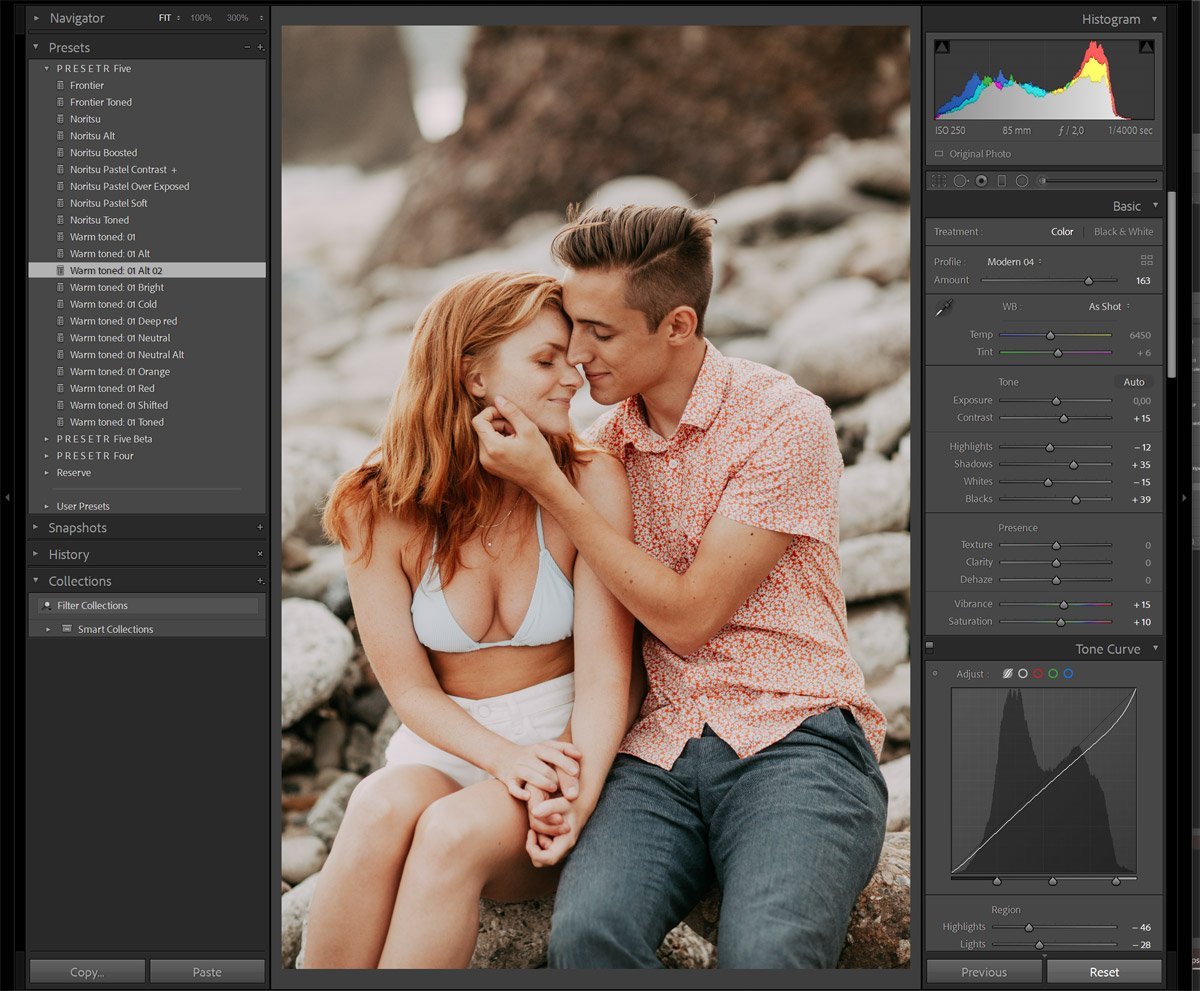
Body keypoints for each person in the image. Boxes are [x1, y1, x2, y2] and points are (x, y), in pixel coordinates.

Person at [472, 205, 890, 969]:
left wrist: (551, 489)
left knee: (769, 955)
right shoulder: (602, 446)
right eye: (572, 327)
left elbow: (691, 617)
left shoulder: (781, 420)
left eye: (602, 332)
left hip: (793, 738)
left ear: (677, 324)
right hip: (654, 751)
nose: (577, 352)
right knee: (588, 935)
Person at [302, 271, 635, 969]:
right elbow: (409, 689)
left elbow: (611, 676)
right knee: (375, 809)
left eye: (570, 360)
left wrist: (569, 788)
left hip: (566, 751)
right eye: (545, 360)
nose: (572, 379)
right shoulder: (375, 504)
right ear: (473, 375)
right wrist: (499, 757)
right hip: (448, 746)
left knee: (450, 835)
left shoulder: (587, 479)